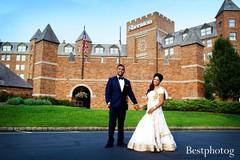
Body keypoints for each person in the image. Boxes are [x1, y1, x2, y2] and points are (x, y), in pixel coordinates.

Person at [127, 73, 176, 152]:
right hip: (149, 111)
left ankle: (158, 144)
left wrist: (153, 108)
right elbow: (147, 101)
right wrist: (139, 106)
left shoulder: (160, 90)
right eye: (154, 79)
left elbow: (161, 102)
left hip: (156, 111)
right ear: (152, 79)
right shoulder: (150, 90)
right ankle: (147, 144)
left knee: (157, 127)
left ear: (160, 81)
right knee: (144, 125)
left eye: (157, 80)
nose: (155, 81)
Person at [105, 64, 139, 148]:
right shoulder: (111, 80)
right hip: (113, 105)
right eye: (119, 69)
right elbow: (107, 92)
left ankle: (120, 141)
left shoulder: (127, 82)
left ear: (124, 71)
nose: (121, 70)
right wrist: (108, 102)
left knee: (121, 125)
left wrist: (135, 103)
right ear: (117, 70)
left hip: (123, 106)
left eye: (122, 69)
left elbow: (130, 93)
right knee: (112, 124)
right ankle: (110, 141)